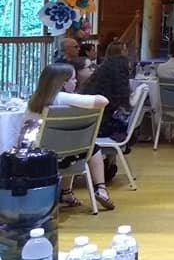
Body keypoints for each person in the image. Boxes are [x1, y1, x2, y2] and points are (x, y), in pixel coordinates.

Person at [25, 63, 115, 210]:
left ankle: (66, 192)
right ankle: (101, 188)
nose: (76, 82)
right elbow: (103, 101)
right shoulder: (63, 98)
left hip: (37, 157)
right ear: (63, 83)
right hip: (63, 157)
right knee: (91, 147)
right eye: (73, 79)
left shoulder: (33, 101)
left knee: (67, 146)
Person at [83, 42, 133, 142]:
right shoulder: (120, 66)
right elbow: (122, 94)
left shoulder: (104, 67)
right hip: (101, 121)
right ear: (122, 52)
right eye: (125, 50)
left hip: (93, 116)